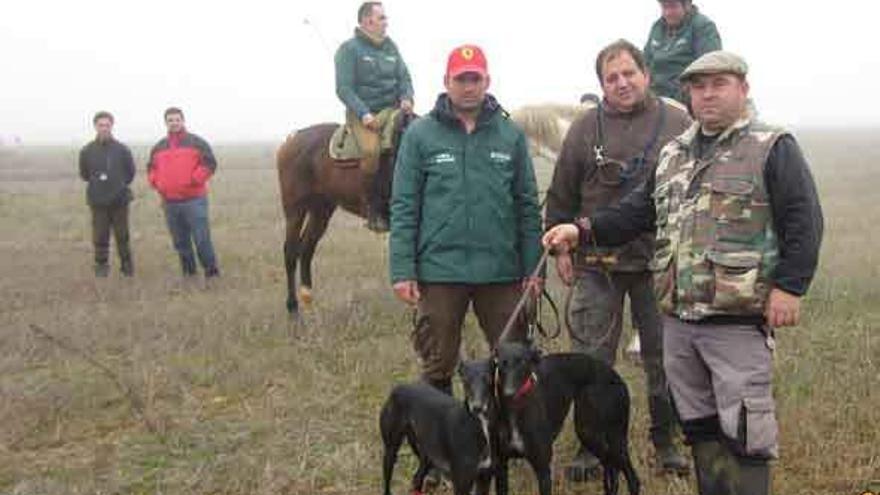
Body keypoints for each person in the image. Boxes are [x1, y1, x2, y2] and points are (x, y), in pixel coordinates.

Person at [543, 51, 824, 495]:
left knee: (746, 428)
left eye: (719, 84)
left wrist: (789, 288)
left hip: (737, 320)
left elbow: (803, 220)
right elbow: (637, 211)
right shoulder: (675, 153)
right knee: (700, 425)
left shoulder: (772, 146)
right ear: (688, 94)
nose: (707, 94)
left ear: (743, 89)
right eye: (698, 86)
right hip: (679, 319)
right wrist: (581, 230)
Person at [545, 39, 692, 478]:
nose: (622, 83)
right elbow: (561, 195)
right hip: (597, 265)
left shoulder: (678, 123)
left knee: (665, 359)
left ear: (645, 74)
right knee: (591, 363)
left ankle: (666, 441)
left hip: (660, 266)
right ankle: (592, 447)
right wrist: (561, 250)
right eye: (612, 78)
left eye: (629, 73)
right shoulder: (584, 129)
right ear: (602, 85)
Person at [389, 44, 543, 395]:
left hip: (501, 270)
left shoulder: (511, 136)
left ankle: (507, 441)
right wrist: (402, 269)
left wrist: (534, 268)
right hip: (440, 270)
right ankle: (441, 442)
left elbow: (527, 206)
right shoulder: (420, 135)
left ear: (487, 81)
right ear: (447, 81)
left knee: (514, 361)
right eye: (461, 79)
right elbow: (404, 206)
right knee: (438, 362)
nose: (469, 86)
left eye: (475, 79)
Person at [335, 1, 414, 232]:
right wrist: (364, 113)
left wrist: (407, 97)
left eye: (385, 18)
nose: (386, 22)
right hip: (364, 115)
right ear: (367, 21)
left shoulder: (391, 47)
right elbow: (344, 89)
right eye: (382, 18)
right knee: (371, 151)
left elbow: (404, 78)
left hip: (393, 111)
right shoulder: (348, 50)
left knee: (419, 136)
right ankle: (373, 208)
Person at [147, 107, 220, 279]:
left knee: (201, 239)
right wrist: (156, 182)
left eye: (177, 119)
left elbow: (210, 164)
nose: (174, 123)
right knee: (180, 242)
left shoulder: (197, 142)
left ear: (183, 121)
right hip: (170, 202)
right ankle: (189, 273)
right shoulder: (158, 147)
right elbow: (151, 168)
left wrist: (195, 179)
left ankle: (211, 272)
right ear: (166, 123)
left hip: (194, 201)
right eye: (170, 120)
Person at [78, 111, 135, 277]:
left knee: (122, 236)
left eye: (107, 125)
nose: (104, 128)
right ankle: (101, 267)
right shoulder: (86, 151)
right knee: (100, 236)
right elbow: (84, 175)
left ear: (112, 126)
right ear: (95, 126)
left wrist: (117, 185)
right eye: (101, 125)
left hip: (120, 200)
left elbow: (130, 173)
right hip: (98, 201)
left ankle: (127, 267)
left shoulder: (122, 150)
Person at [644, 0, 722, 105]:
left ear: (687, 5)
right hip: (654, 96)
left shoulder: (703, 27)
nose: (667, 13)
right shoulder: (657, 27)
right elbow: (645, 63)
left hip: (683, 99)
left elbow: (709, 67)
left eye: (673, 7)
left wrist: (680, 96)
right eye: (664, 7)